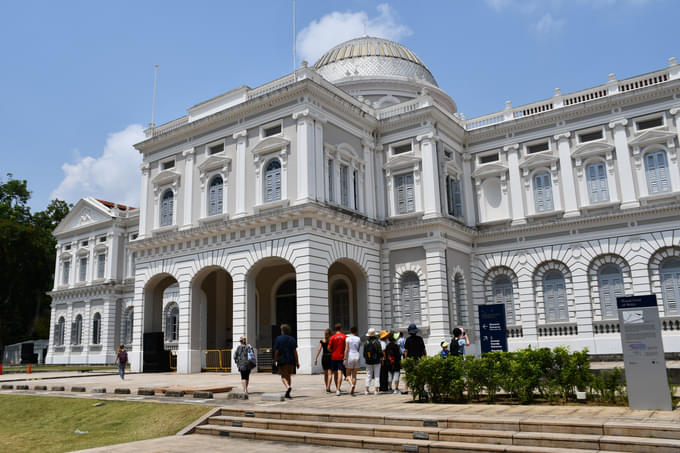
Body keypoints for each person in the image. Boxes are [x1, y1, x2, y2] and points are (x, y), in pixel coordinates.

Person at [272, 323, 300, 399]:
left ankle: (288, 387)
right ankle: (288, 393)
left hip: (282, 360)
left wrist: (274, 360)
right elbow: (295, 351)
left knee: (283, 376)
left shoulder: (278, 339)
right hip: (291, 360)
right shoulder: (292, 339)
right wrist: (297, 362)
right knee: (288, 376)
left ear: (282, 331)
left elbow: (276, 351)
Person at [402, 323, 426, 394]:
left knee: (408, 374)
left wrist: (405, 359)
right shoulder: (420, 339)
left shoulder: (408, 340)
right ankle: (421, 388)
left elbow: (406, 351)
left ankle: (406, 389)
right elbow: (424, 349)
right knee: (419, 374)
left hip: (410, 359)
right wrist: (425, 357)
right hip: (419, 359)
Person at [328, 323, 346, 395]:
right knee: (340, 372)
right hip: (341, 356)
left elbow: (329, 348)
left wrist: (333, 351)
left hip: (334, 356)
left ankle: (336, 388)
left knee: (335, 373)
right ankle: (338, 389)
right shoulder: (344, 336)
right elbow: (346, 347)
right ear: (341, 328)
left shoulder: (332, 337)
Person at [363, 328, 383, 395]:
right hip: (376, 361)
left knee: (368, 375)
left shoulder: (366, 342)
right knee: (377, 375)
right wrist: (381, 358)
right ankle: (376, 390)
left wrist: (367, 358)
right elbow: (380, 352)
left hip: (368, 361)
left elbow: (364, 353)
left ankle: (366, 390)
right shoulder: (377, 342)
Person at [343, 325, 361, 396]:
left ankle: (351, 385)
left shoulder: (348, 339)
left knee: (347, 374)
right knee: (354, 375)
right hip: (357, 355)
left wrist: (344, 358)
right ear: (356, 331)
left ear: (350, 331)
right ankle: (353, 390)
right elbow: (358, 349)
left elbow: (346, 349)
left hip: (350, 356)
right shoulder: (358, 339)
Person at [314, 328, 333, 393]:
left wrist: (316, 358)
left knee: (325, 374)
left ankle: (326, 387)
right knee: (330, 373)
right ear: (330, 334)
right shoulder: (331, 340)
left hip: (324, 357)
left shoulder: (322, 341)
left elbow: (319, 350)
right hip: (330, 356)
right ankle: (328, 387)